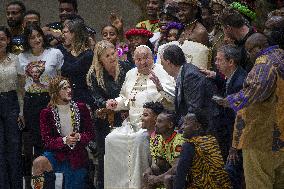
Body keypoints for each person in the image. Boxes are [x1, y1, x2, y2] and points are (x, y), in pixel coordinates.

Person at [215, 33, 284, 189]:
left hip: (261, 137)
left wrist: (229, 101)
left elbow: (256, 89)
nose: (248, 55)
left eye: (249, 51)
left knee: (259, 183)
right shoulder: (281, 56)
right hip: (280, 136)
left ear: (259, 48)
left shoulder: (265, 63)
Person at [104, 45, 175, 189]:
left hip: (152, 124)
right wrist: (115, 103)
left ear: (152, 57)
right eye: (138, 59)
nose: (143, 62)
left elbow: (173, 97)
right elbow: (125, 98)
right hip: (131, 123)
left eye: (146, 58)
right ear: (133, 60)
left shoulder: (161, 71)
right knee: (110, 139)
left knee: (138, 141)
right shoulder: (130, 74)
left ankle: (139, 185)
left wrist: (160, 87)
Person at [17, 24, 64, 188]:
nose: (36, 39)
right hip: (31, 103)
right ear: (27, 40)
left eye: (38, 36)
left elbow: (60, 80)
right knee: (36, 147)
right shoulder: (22, 57)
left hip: (49, 101)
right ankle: (38, 186)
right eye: (32, 37)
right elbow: (22, 87)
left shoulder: (55, 53)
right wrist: (22, 111)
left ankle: (51, 184)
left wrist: (58, 102)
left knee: (50, 145)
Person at [31, 76, 94, 189]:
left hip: (76, 154)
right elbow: (47, 141)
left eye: (69, 87)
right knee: (38, 163)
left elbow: (90, 133)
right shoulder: (46, 113)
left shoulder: (81, 108)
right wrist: (64, 140)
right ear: (55, 92)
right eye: (64, 88)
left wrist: (79, 136)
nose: (69, 90)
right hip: (57, 154)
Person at [86, 40, 132, 188]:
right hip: (105, 117)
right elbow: (95, 96)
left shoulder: (125, 67)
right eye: (107, 56)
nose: (112, 57)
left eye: (114, 53)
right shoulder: (93, 74)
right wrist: (104, 103)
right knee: (105, 155)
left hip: (125, 114)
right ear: (100, 59)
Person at [160, 44, 218, 129]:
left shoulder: (190, 75)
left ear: (169, 63)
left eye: (162, 63)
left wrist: (178, 128)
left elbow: (194, 108)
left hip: (206, 126)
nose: (162, 67)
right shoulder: (184, 72)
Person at [174, 113, 232, 189]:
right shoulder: (212, 140)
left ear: (197, 126)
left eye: (185, 124)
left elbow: (180, 175)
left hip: (203, 186)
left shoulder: (189, 145)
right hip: (224, 186)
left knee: (170, 179)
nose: (182, 127)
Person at [0, 26, 23, 189]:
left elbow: (21, 88)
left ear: (8, 40)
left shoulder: (16, 59)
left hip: (11, 102)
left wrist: (21, 111)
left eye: (2, 39)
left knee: (14, 148)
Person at [143, 110, 185, 189]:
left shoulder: (179, 140)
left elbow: (177, 168)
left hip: (184, 175)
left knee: (167, 179)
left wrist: (157, 179)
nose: (155, 124)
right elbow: (159, 163)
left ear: (170, 125)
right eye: (156, 121)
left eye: (160, 122)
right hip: (169, 171)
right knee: (148, 172)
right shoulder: (158, 139)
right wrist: (149, 172)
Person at [60, 19, 94, 107]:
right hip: (68, 100)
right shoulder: (66, 54)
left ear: (74, 33)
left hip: (84, 100)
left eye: (65, 32)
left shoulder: (89, 55)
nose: (63, 35)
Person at [219, 7, 255, 72]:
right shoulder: (255, 31)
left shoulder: (248, 47)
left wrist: (232, 51)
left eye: (223, 29)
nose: (223, 33)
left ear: (228, 28)